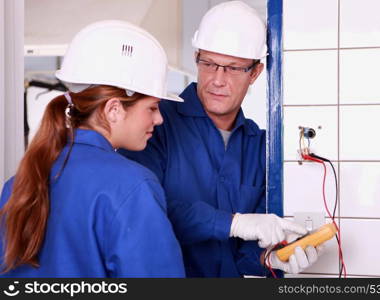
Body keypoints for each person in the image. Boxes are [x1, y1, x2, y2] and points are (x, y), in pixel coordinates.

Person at [119, 1, 322, 277]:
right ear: (196, 58)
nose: (217, 79)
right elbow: (145, 212)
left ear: (255, 73)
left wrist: (270, 258)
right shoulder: (155, 124)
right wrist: (232, 223)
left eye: (233, 68)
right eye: (209, 63)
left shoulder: (260, 147)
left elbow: (242, 253)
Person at [0, 20, 185, 277]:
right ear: (113, 109)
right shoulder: (132, 185)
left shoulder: (18, 183)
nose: (159, 119)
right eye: (152, 108)